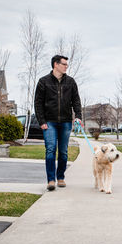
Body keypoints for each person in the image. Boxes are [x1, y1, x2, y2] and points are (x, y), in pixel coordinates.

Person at [34, 55, 82, 191]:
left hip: (66, 122)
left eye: (67, 64)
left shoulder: (71, 82)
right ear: (56, 65)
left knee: (63, 151)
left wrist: (78, 116)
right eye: (64, 64)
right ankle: (51, 180)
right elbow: (38, 103)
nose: (66, 66)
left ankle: (60, 177)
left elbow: (76, 101)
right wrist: (41, 121)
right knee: (50, 149)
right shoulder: (43, 82)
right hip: (49, 123)